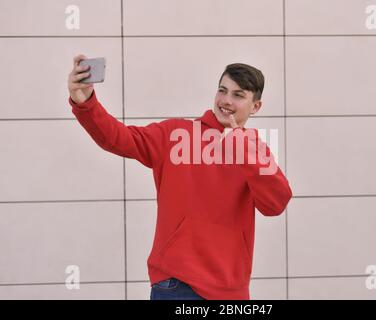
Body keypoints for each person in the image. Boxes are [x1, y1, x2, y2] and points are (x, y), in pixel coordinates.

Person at [67, 54, 292, 300]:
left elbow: (276, 204)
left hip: (231, 291)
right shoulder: (176, 133)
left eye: (238, 95)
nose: (226, 101)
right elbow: (119, 139)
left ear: (255, 106)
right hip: (176, 285)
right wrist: (85, 102)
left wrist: (241, 146)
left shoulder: (255, 150)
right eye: (222, 90)